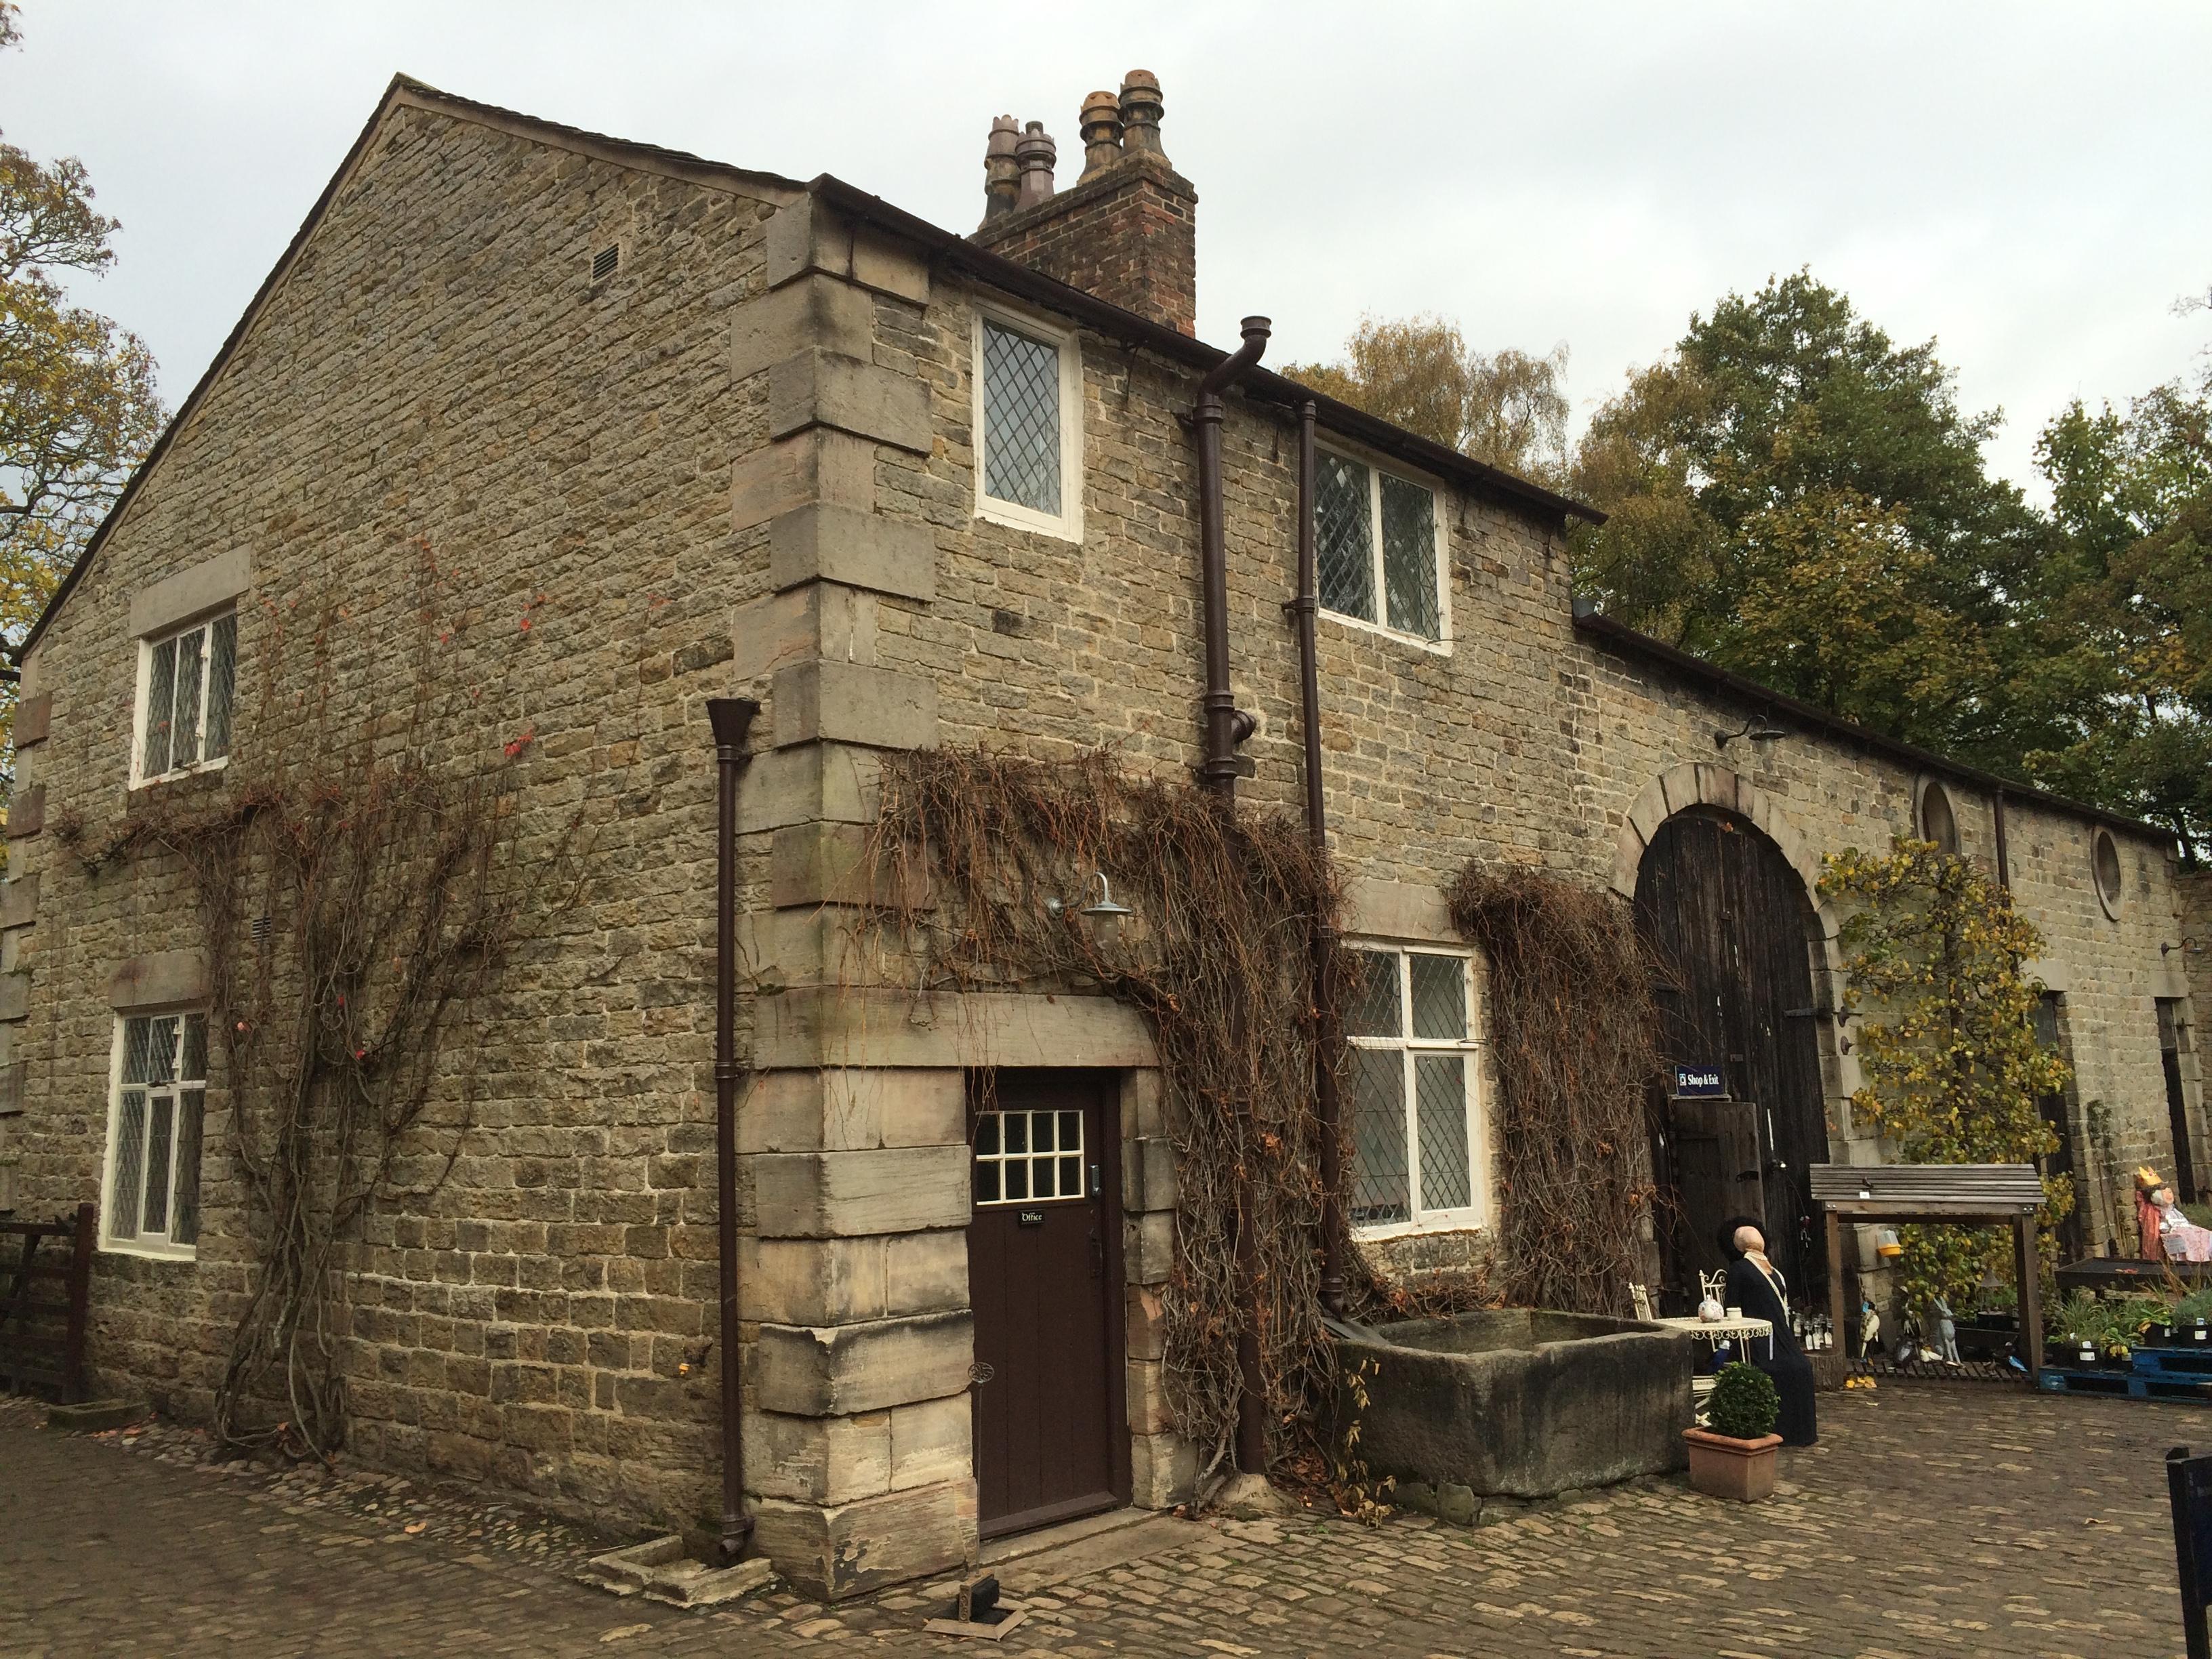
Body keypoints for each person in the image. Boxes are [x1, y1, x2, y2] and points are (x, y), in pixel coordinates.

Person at [1718, 1216, 1819, 1446]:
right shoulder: (1740, 1270)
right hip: (1755, 1340)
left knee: (1800, 1366)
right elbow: (1732, 1310)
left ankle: (1795, 1432)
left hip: (1777, 1337)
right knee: (1783, 1368)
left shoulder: (1775, 1273)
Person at [2137, 1167, 2212, 1263]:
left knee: (2206, 1234)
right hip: (2172, 1231)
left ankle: (2204, 1257)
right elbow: (2157, 1227)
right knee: (2188, 1237)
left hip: (2184, 1228)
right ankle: (2192, 1260)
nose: (2170, 1195)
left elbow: (2180, 1219)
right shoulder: (2154, 1211)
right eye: (2165, 1193)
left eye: (2170, 1192)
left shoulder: (2171, 1208)